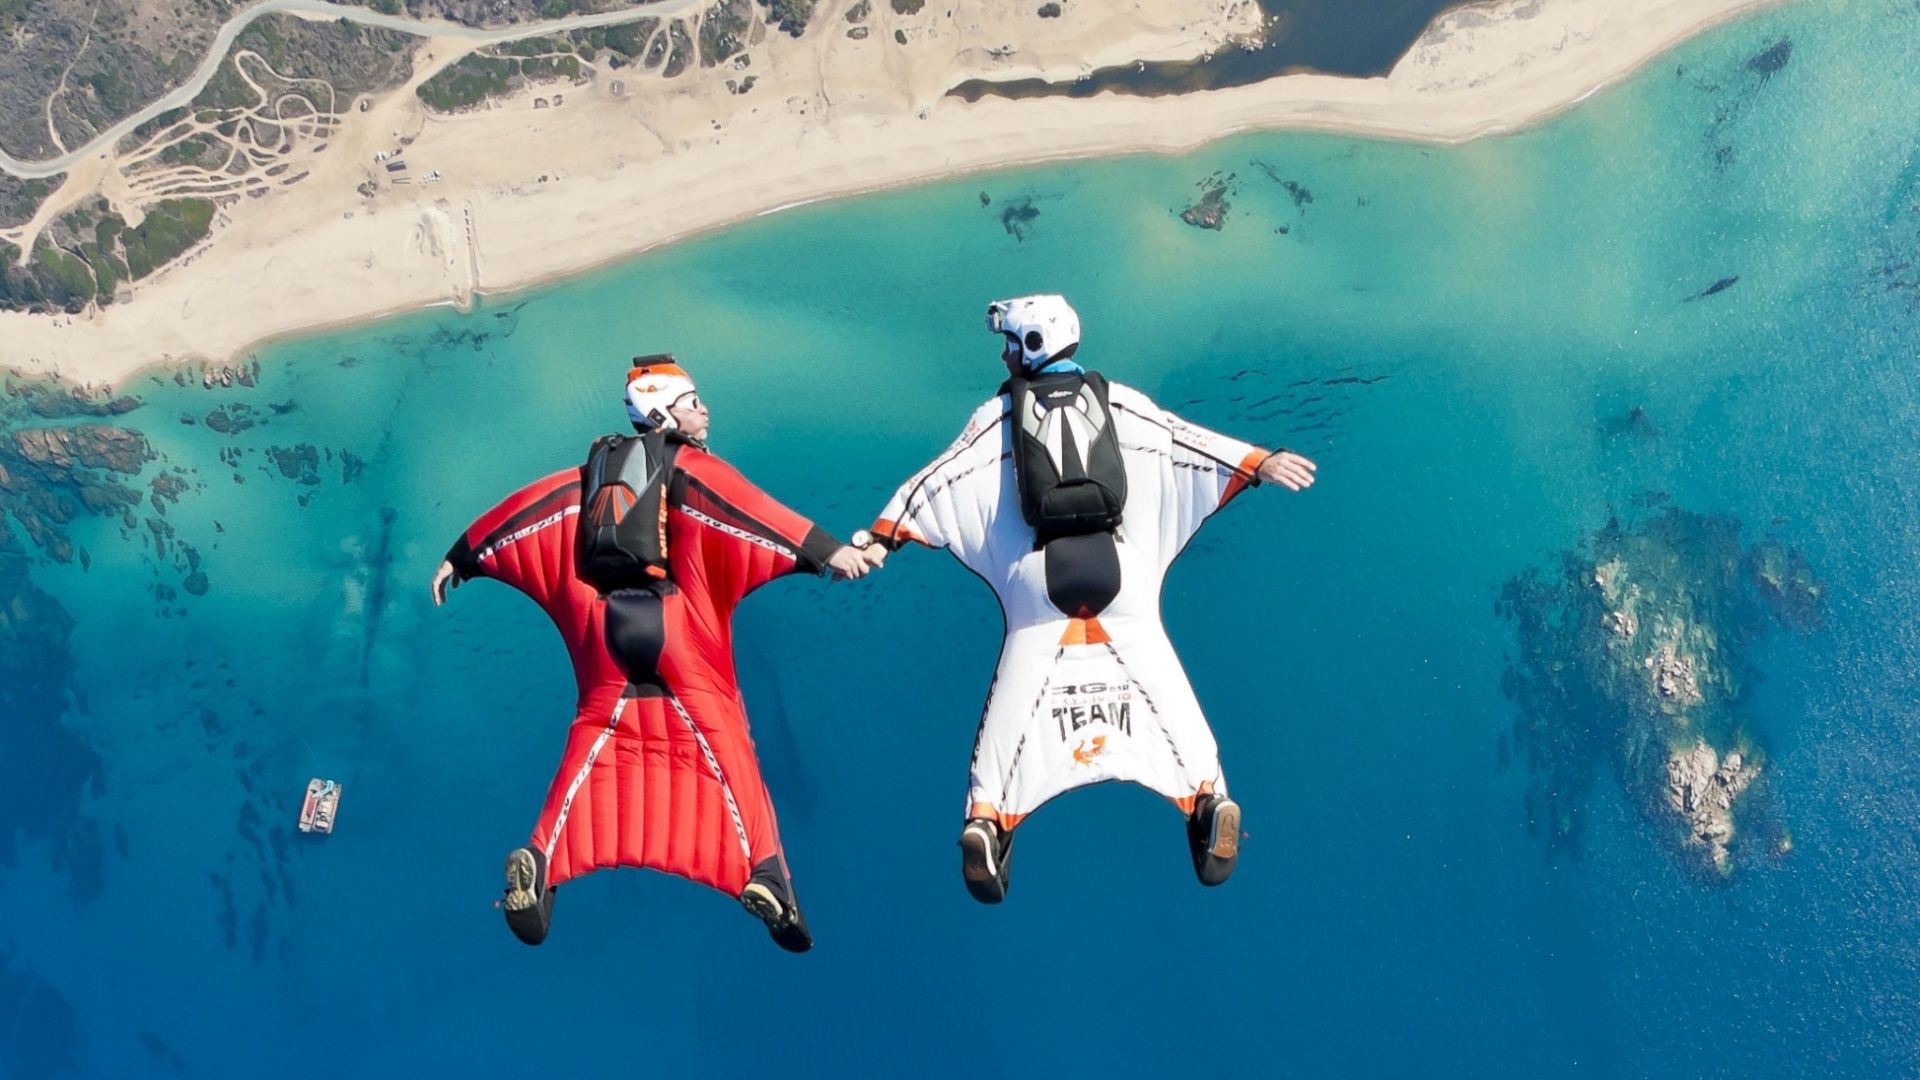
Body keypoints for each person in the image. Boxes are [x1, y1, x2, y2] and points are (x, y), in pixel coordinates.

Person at [860, 295, 1317, 903]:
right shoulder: (1118, 402)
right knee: (1167, 695)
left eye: (1008, 343)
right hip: (1123, 580)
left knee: (1011, 713)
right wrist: (1260, 461)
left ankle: (987, 820)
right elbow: (1185, 442)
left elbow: (940, 478)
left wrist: (883, 535)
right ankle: (1208, 799)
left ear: (1028, 347)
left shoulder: (995, 417)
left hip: (1038, 589)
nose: (1002, 353)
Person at [432, 357, 871, 950]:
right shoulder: (688, 470)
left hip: (602, 637)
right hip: (676, 632)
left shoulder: (588, 479)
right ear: (664, 412)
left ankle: (541, 862)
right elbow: (743, 509)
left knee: (590, 745)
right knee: (729, 749)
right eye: (693, 402)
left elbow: (533, 509)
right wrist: (823, 551)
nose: (705, 409)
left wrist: (464, 554)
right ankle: (766, 873)